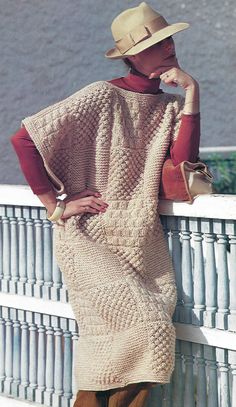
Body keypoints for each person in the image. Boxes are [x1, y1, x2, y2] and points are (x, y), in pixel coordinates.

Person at [10, 2, 200, 406]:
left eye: (169, 39)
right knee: (150, 331)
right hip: (89, 239)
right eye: (156, 42)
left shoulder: (169, 107)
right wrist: (55, 205)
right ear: (132, 55)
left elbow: (183, 164)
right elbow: (24, 138)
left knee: (118, 357)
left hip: (143, 243)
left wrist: (191, 92)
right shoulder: (99, 96)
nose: (169, 47)